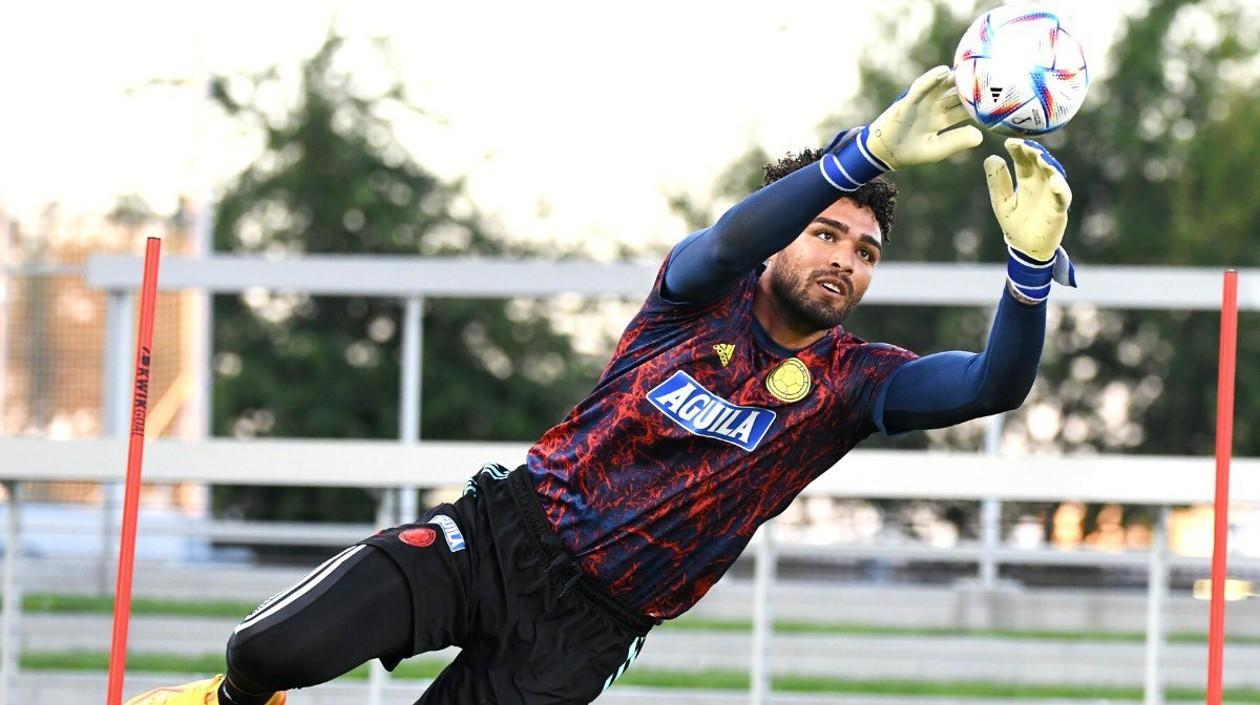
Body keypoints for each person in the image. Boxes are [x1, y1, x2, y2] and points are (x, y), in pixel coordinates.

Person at [126, 64, 1074, 705]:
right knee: (267, 652)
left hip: (584, 634)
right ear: (783, 237)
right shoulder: (697, 295)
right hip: (501, 535)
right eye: (826, 233)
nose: (845, 259)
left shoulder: (851, 381)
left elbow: (991, 384)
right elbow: (730, 237)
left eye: (865, 251)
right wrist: (861, 153)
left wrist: (1029, 272)